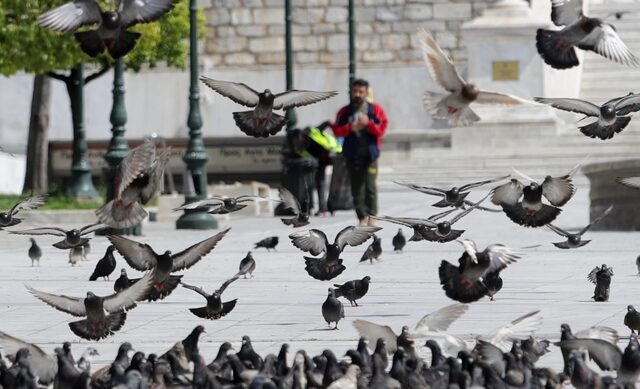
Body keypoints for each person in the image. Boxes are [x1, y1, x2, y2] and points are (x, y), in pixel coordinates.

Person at [332, 78, 388, 226]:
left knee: (370, 187)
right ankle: (361, 217)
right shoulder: (344, 112)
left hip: (370, 155)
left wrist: (367, 124)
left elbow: (381, 129)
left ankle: (372, 216)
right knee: (356, 188)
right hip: (352, 155)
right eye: (355, 91)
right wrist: (351, 128)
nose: (357, 94)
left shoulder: (375, 110)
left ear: (366, 92)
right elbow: (337, 131)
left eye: (361, 91)